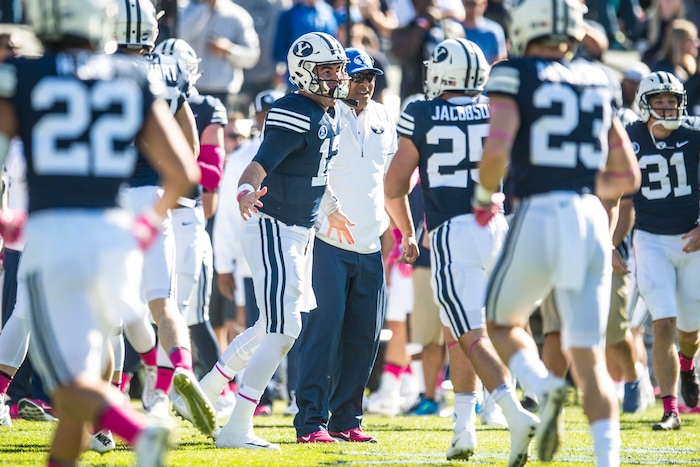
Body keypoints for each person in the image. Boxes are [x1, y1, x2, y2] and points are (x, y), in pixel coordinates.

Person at [0, 0, 201, 463]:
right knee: (88, 370)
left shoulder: (24, 75)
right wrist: (150, 223)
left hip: (52, 235)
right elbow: (184, 170)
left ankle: (136, 429)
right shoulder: (133, 77)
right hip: (116, 236)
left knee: (69, 387)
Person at [476, 0, 640, 465]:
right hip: (591, 217)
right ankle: (607, 460)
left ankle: (545, 388)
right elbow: (627, 174)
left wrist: (481, 195)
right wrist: (582, 183)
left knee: (502, 322)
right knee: (587, 358)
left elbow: (498, 148)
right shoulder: (599, 79)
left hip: (540, 211)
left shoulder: (514, 73)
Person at [188, 32, 355, 450]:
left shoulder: (330, 113)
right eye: (327, 70)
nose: (336, 77)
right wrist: (246, 192)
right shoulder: (293, 110)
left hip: (299, 232)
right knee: (285, 329)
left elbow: (312, 173)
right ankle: (238, 426)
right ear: (304, 72)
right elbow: (259, 166)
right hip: (274, 227)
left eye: (338, 69)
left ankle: (201, 395)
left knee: (268, 327)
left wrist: (331, 209)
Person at [384, 38, 539, 465]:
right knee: (468, 328)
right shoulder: (497, 108)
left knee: (469, 332)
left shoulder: (421, 111)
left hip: (453, 230)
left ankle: (515, 405)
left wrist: (406, 232)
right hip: (499, 225)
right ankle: (464, 429)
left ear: (440, 73)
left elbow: (394, 186)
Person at [113, 0, 217, 437]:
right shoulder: (166, 73)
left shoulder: (94, 70)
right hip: (155, 196)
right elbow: (190, 151)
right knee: (165, 302)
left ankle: (114, 397)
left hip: (106, 199)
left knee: (112, 312)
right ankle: (179, 372)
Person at [293, 47, 397, 443]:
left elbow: (384, 181)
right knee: (323, 333)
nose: (365, 84)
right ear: (339, 79)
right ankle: (310, 422)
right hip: (327, 242)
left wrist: (399, 232)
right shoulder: (323, 115)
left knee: (364, 337)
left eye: (370, 77)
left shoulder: (384, 117)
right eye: (357, 76)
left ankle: (346, 419)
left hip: (370, 244)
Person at [627, 71, 700, 430]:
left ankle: (688, 364)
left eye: (672, 100)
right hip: (650, 238)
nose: (668, 107)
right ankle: (670, 409)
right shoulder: (630, 136)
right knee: (664, 322)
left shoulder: (694, 133)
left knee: (690, 331)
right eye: (660, 100)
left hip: (691, 240)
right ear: (645, 104)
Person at [210, 89, 285, 417]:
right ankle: (253, 393)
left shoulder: (290, 146)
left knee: (282, 324)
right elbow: (226, 217)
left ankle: (277, 391)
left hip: (283, 250)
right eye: (263, 112)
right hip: (246, 256)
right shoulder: (242, 158)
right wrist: (223, 264)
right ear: (255, 117)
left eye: (273, 111)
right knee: (252, 324)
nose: (268, 117)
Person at [178, 0, 260, 112]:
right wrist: (203, 9)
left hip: (224, 95)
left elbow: (252, 56)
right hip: (190, 91)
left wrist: (229, 50)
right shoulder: (184, 10)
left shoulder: (238, 16)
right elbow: (178, 37)